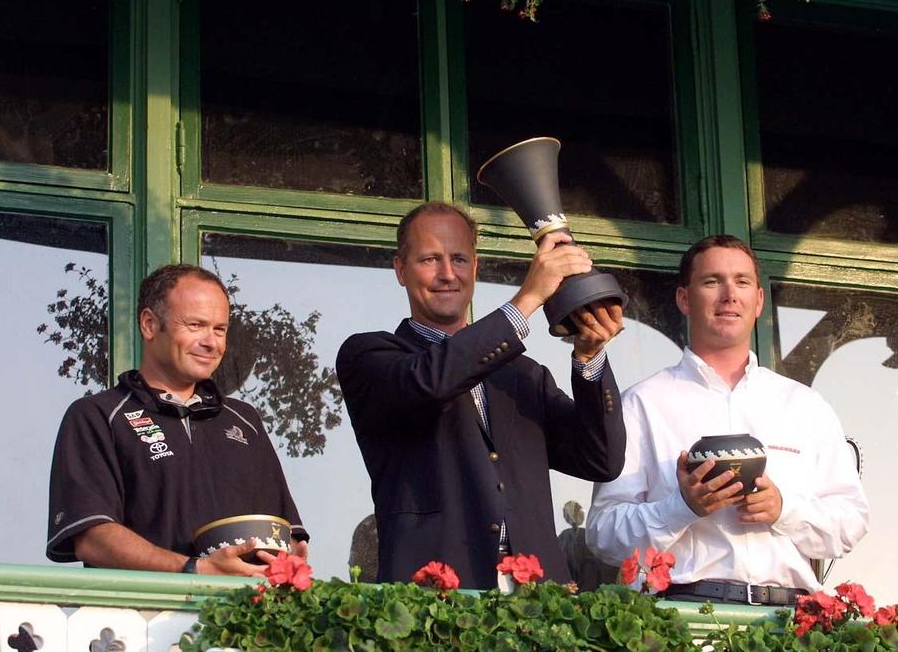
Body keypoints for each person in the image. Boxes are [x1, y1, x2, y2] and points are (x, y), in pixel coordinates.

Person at [336, 203, 626, 590]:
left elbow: (601, 459)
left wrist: (589, 359)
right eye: (429, 259)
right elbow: (431, 381)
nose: (447, 274)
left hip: (537, 603)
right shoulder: (369, 356)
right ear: (400, 270)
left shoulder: (523, 375)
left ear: (474, 268)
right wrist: (528, 299)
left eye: (459, 258)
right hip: (435, 601)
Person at [586, 235, 868, 605]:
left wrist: (784, 508)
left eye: (742, 282)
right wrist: (681, 507)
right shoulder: (642, 404)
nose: (729, 295)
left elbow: (851, 522)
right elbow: (603, 533)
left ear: (758, 302)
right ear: (684, 299)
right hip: (684, 618)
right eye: (712, 281)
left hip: (787, 623)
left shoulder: (804, 406)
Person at [46, 264, 308, 576]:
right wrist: (194, 570)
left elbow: (284, 532)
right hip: (140, 618)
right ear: (149, 324)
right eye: (196, 325)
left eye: (220, 329)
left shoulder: (245, 420)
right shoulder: (98, 415)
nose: (212, 342)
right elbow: (92, 538)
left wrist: (290, 557)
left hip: (241, 619)